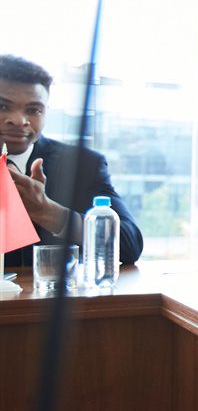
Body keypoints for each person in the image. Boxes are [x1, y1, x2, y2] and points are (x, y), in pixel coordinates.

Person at [1, 54, 143, 269]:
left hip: (42, 299)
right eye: (3, 107)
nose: (19, 121)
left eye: (33, 110)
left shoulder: (82, 165)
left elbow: (129, 245)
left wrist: (47, 211)